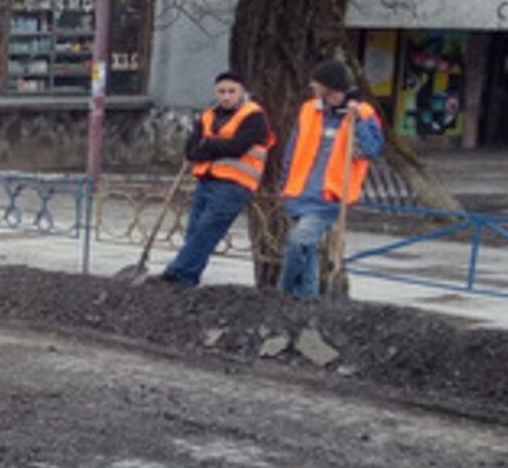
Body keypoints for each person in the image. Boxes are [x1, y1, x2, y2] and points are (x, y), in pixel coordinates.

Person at [277, 59, 384, 299]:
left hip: (330, 196)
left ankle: (283, 293)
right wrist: (285, 183)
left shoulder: (364, 113)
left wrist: (358, 120)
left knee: (298, 241)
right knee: (308, 250)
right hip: (299, 191)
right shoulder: (310, 109)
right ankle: (307, 299)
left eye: (323, 88)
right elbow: (293, 149)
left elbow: (372, 149)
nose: (320, 93)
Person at [161, 71, 273, 286]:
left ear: (242, 92)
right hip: (206, 179)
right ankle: (187, 278)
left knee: (206, 230)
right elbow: (191, 151)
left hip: (235, 184)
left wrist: (209, 144)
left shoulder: (254, 116)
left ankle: (178, 273)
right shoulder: (208, 115)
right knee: (194, 232)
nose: (226, 96)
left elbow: (237, 147)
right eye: (221, 91)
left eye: (232, 91)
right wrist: (215, 146)